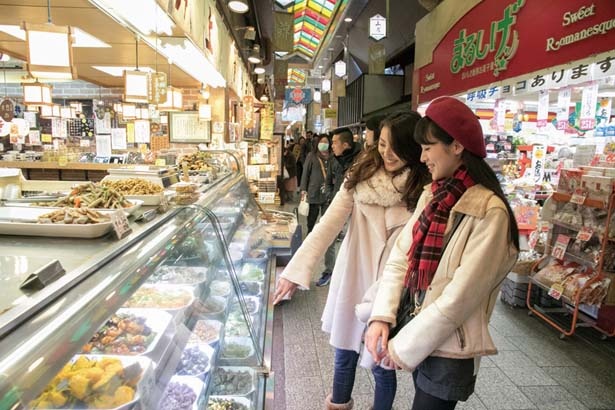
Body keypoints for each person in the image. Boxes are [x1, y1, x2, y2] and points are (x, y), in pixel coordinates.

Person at [365, 97, 520, 410]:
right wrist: (382, 315)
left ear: (457, 147)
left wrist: (404, 347)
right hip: (417, 325)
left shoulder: (490, 212)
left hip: (451, 345)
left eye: (428, 147)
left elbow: (459, 298)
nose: (422, 158)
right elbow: (400, 259)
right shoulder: (434, 195)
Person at [274, 112, 430, 410]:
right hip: (354, 274)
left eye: (396, 147)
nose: (387, 153)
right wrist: (296, 271)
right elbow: (328, 224)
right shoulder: (360, 175)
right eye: (383, 144)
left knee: (383, 363)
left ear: (413, 148)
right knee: (344, 354)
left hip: (391, 284)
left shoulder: (423, 189)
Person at [313, 127, 363, 286]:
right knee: (329, 238)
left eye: (334, 142)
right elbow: (328, 181)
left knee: (354, 240)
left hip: (357, 208)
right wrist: (330, 196)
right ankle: (329, 271)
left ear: (346, 145)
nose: (331, 146)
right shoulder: (334, 159)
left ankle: (351, 274)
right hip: (336, 204)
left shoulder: (362, 160)